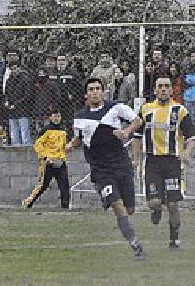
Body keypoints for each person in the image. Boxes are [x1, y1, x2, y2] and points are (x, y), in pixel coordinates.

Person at [67, 78, 146, 260]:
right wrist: (71, 145)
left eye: (98, 88)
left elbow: (137, 120)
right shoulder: (79, 117)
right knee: (117, 205)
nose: (95, 92)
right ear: (86, 94)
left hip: (121, 164)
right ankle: (136, 245)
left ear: (103, 91)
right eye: (91, 89)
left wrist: (126, 132)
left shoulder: (115, 107)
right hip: (100, 169)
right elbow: (79, 138)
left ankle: (129, 231)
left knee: (130, 209)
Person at [135, 76, 195, 250]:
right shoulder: (146, 110)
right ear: (155, 90)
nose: (163, 89)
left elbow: (191, 137)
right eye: (160, 86)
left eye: (166, 86)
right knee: (154, 202)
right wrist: (135, 158)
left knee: (173, 204)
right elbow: (137, 136)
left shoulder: (180, 110)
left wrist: (186, 152)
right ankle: (156, 209)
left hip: (172, 162)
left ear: (171, 90)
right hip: (152, 162)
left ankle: (174, 239)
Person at [23, 110, 71, 209]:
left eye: (58, 116)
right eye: (55, 116)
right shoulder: (45, 130)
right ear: (50, 118)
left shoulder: (63, 130)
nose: (57, 118)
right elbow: (37, 145)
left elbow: (63, 145)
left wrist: (67, 149)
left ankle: (65, 207)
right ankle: (28, 203)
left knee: (64, 185)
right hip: (47, 162)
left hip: (60, 161)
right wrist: (45, 157)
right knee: (42, 185)